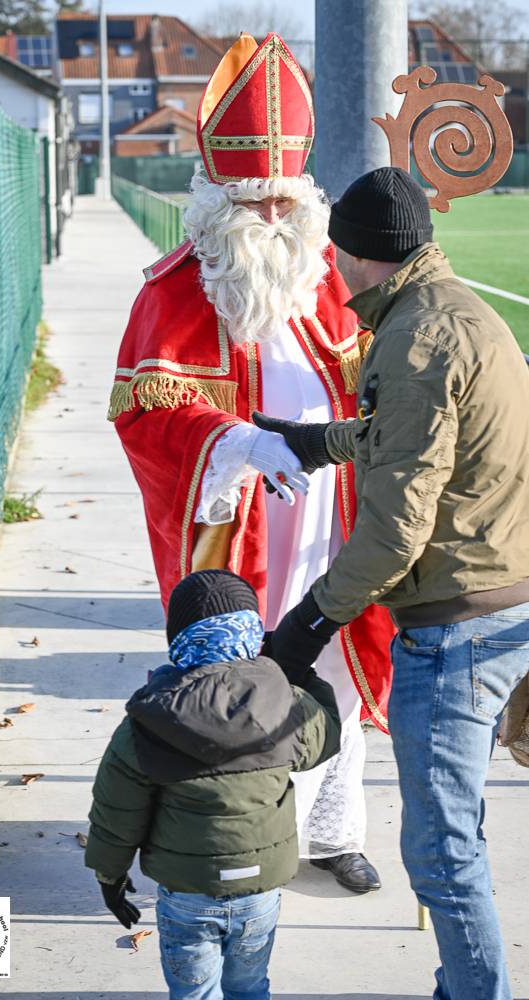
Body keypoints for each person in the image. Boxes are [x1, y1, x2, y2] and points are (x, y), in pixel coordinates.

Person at [108, 32, 394, 894]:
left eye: (282, 201)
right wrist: (238, 442)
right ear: (215, 199)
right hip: (236, 534)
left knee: (339, 669)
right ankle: (240, 836)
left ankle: (331, 832)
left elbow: (375, 379)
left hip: (335, 523)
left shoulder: (330, 285)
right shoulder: (173, 292)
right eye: (252, 203)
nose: (271, 219)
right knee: (239, 681)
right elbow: (146, 420)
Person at [260, 165, 529, 1000]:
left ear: (360, 255)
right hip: (506, 602)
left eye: (337, 253)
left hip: (458, 630)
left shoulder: (412, 340)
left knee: (441, 851)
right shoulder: (458, 314)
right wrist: (319, 443)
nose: (332, 269)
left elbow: (396, 528)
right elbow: (413, 439)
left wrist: (309, 621)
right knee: (458, 832)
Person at [84, 569, 341, 1000]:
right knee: (250, 987)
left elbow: (117, 810)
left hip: (189, 891)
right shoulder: (286, 700)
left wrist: (109, 875)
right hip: (259, 890)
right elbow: (326, 737)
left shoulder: (149, 718)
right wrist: (302, 675)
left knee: (195, 994)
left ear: (179, 637)